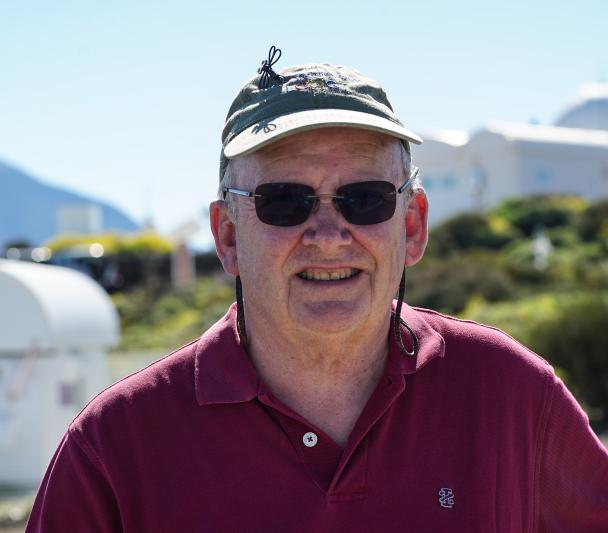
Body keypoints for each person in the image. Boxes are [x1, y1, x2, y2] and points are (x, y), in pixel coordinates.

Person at [27, 46, 608, 532]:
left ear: (411, 226)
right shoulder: (113, 449)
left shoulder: (511, 397)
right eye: (285, 201)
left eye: (365, 199)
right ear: (227, 236)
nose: (329, 235)